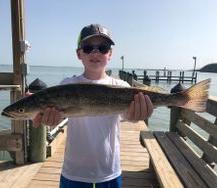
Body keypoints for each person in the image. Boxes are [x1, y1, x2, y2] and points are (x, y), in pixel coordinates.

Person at [33, 24, 154, 188]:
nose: (95, 52)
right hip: (74, 172)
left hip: (109, 172)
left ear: (110, 54)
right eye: (88, 47)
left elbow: (129, 117)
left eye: (102, 48)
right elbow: (57, 117)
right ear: (79, 53)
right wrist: (49, 120)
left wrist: (137, 114)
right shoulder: (67, 85)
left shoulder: (123, 86)